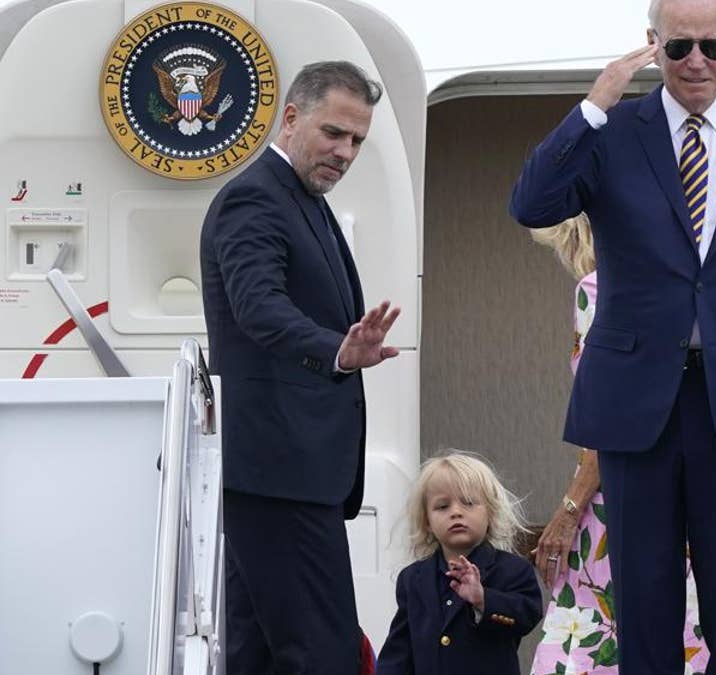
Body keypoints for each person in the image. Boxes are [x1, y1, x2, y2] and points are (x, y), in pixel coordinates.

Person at [508, 0, 716, 670]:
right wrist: (594, 105)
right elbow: (532, 203)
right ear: (652, 45)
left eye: (711, 48)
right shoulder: (613, 131)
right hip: (637, 405)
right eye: (680, 46)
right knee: (646, 606)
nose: (696, 62)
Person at [200, 61, 401, 675]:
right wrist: (339, 351)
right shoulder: (254, 196)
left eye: (358, 141)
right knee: (322, 650)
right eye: (335, 134)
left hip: (287, 476)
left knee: (257, 652)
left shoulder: (301, 199)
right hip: (279, 472)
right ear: (290, 118)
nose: (346, 152)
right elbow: (258, 308)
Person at [528, 215, 710, 674]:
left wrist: (569, 511)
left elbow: (607, 417)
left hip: (619, 501)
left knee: (593, 640)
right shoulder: (676, 284)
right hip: (683, 490)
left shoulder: (599, 288)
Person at [375, 452, 543, 675]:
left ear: (491, 514)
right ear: (427, 522)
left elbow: (527, 616)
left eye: (469, 503)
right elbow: (399, 650)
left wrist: (483, 600)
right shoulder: (412, 579)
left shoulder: (512, 569)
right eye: (442, 506)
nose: (456, 512)